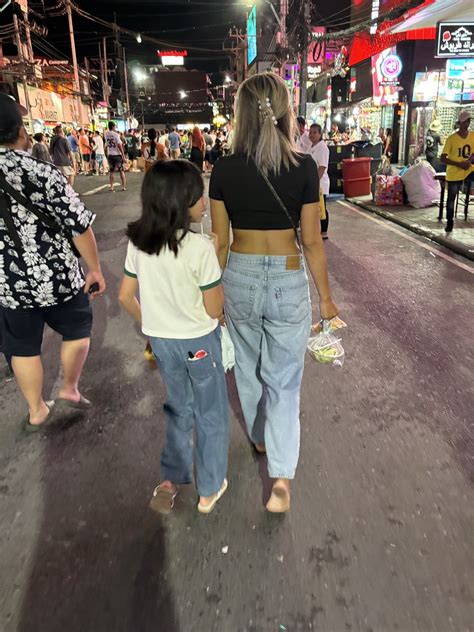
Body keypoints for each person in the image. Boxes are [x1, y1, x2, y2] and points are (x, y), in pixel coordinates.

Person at [210, 72, 338, 513]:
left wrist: (212, 294)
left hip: (239, 275)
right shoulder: (303, 166)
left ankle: (260, 437)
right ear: (285, 112)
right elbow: (312, 242)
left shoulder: (223, 168)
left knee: (246, 368)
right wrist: (325, 299)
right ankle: (281, 482)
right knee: (284, 381)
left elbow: (220, 243)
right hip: (286, 275)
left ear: (241, 115)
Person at [118, 160, 229, 515]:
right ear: (180, 203)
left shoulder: (138, 245)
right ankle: (209, 488)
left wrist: (151, 325)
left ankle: (169, 479)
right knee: (210, 412)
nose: (204, 203)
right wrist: (213, 258)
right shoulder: (199, 249)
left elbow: (124, 296)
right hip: (198, 341)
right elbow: (214, 310)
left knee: (179, 406)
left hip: (162, 343)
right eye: (199, 197)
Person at [0, 92, 106, 430]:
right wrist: (94, 269)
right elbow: (78, 225)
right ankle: (69, 388)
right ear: (19, 131)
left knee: (22, 347)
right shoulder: (41, 172)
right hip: (58, 275)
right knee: (77, 328)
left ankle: (36, 411)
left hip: (9, 284)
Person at [440, 110, 474, 233]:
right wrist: (459, 164)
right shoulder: (451, 139)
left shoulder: (472, 136)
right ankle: (449, 222)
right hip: (454, 172)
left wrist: (469, 161)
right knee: (451, 198)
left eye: (468, 121)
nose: (466, 124)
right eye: (464, 122)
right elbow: (443, 158)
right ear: (460, 123)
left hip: (469, 169)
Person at [308, 123, 330, 239]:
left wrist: (315, 182)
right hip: (312, 182)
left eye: (315, 132)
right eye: (310, 132)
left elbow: (322, 167)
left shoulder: (322, 148)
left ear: (320, 134)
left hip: (320, 183)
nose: (311, 135)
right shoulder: (312, 146)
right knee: (314, 207)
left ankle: (324, 231)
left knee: (322, 207)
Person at [104, 121, 127, 192]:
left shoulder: (106, 134)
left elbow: (106, 145)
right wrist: (123, 155)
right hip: (117, 155)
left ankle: (111, 187)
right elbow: (119, 145)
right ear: (113, 126)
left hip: (110, 154)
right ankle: (123, 186)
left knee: (111, 171)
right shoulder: (116, 135)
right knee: (121, 171)